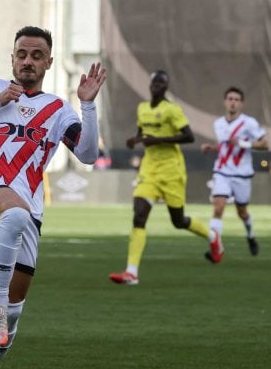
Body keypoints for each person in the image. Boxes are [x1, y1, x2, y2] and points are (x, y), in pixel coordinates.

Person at [0, 26, 106, 369]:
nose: (28, 61)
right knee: (13, 217)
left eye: (36, 56)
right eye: (22, 54)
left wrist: (88, 105)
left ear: (48, 62)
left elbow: (89, 154)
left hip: (26, 210)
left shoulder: (57, 109)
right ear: (12, 58)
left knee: (14, 315)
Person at [109, 70, 223, 286]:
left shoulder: (172, 110)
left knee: (178, 221)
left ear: (166, 87)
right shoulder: (143, 108)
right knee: (139, 215)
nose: (157, 86)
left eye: (162, 84)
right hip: (149, 170)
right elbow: (143, 133)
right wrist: (136, 140)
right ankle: (131, 272)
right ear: (150, 85)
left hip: (172, 170)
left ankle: (212, 236)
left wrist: (158, 140)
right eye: (155, 82)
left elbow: (189, 136)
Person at [200, 86, 268, 257]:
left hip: (242, 174)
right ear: (225, 102)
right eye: (230, 99)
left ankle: (251, 236)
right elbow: (225, 145)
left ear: (241, 104)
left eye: (236, 100)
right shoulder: (218, 123)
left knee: (242, 212)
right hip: (222, 172)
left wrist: (244, 144)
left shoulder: (249, 123)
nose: (233, 102)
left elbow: (264, 144)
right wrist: (212, 147)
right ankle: (216, 248)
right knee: (218, 208)